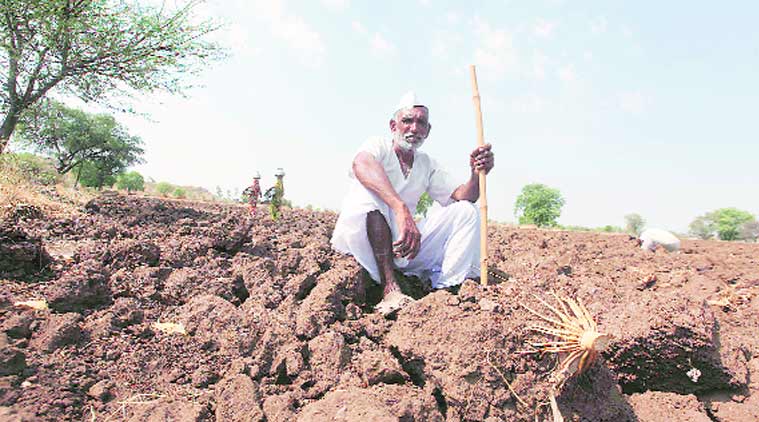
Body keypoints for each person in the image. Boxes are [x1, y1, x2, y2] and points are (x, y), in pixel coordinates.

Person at [330, 92, 495, 315]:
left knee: (466, 211)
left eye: (421, 123)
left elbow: (462, 196)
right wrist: (400, 208)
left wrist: (476, 173)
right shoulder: (378, 146)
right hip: (364, 242)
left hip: (404, 245)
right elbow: (361, 164)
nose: (414, 128)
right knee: (366, 192)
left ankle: (447, 288)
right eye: (407, 121)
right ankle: (389, 288)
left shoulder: (426, 163)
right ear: (393, 125)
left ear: (428, 130)